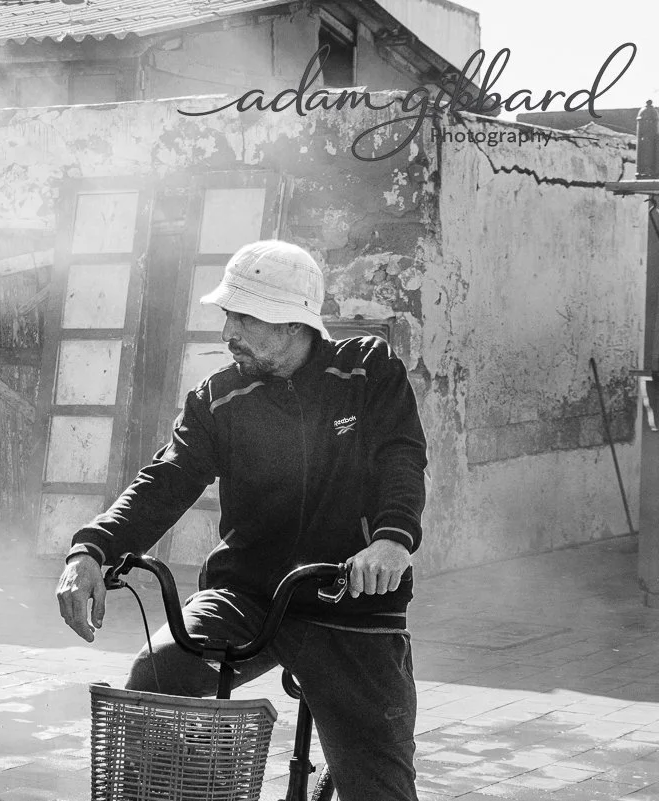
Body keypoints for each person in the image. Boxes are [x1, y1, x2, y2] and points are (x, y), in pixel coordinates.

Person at [55, 240, 428, 800]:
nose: (228, 329)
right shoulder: (219, 397)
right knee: (155, 676)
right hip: (246, 598)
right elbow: (166, 480)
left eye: (245, 316)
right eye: (227, 313)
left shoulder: (367, 370)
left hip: (351, 601)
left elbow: (401, 456)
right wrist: (92, 548)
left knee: (380, 789)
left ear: (291, 323)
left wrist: (392, 540)